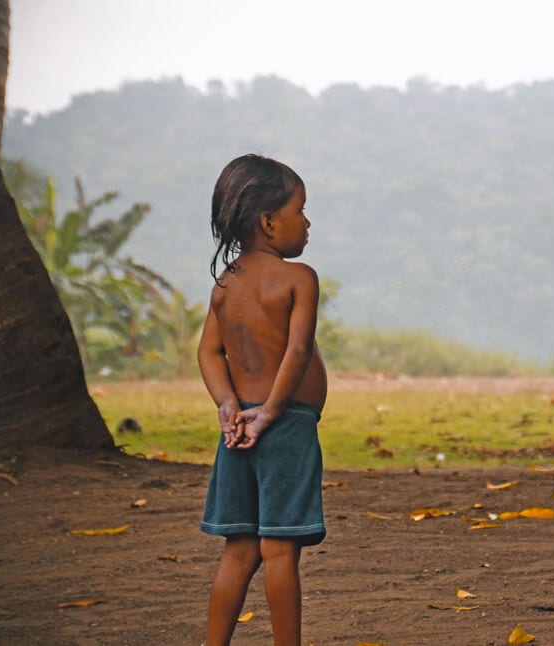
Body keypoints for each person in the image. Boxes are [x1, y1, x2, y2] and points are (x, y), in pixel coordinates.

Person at [197, 154, 327, 646]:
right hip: (284, 426)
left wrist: (229, 407)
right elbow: (296, 350)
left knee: (238, 550)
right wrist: (270, 412)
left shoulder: (224, 284)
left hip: (238, 431)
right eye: (301, 209)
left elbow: (208, 351)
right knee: (279, 551)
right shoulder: (299, 278)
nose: (308, 222)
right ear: (270, 222)